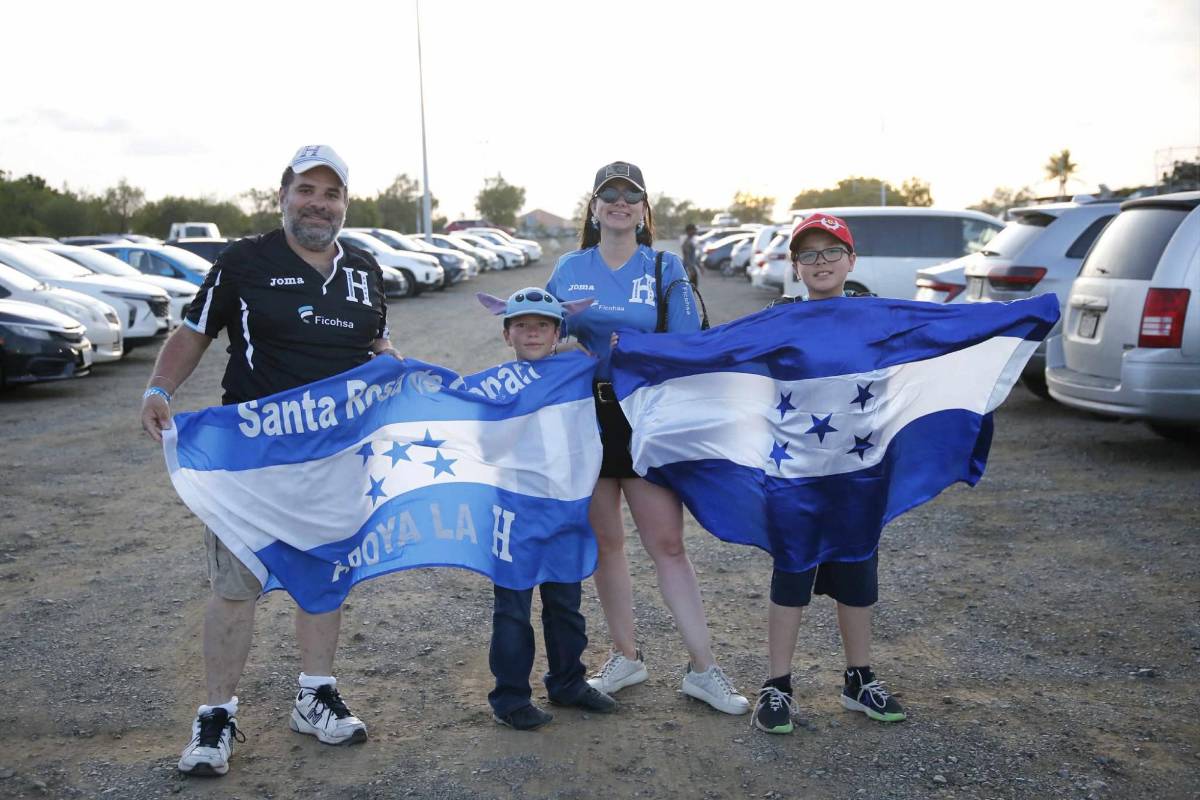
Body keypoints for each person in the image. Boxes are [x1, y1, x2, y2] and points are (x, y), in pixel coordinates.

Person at [141, 145, 400, 776]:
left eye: (331, 193)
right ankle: (216, 715)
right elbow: (195, 331)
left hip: (338, 455)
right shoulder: (245, 261)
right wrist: (158, 388)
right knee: (237, 584)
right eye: (306, 190)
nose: (319, 203)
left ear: (345, 204)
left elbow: (377, 342)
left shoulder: (365, 267)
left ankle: (314, 695)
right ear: (282, 194)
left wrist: (397, 367)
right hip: (252, 461)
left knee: (324, 578)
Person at [546, 161, 749, 715]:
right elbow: (541, 336)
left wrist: (630, 348)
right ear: (592, 208)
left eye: (630, 195)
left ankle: (704, 669)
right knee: (606, 545)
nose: (619, 202)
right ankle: (625, 654)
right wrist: (559, 346)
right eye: (607, 194)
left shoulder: (663, 266)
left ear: (643, 210)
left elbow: (689, 347)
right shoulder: (568, 267)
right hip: (584, 418)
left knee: (667, 545)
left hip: (645, 419)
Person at [752, 213, 906, 735]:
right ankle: (777, 685)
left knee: (857, 577)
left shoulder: (876, 318)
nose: (821, 263)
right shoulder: (779, 320)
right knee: (791, 576)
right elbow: (715, 352)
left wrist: (1017, 316)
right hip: (794, 476)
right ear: (795, 267)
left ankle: (859, 679)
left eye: (831, 252)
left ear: (851, 260)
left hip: (858, 474)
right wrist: (644, 353)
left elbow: (944, 332)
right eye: (809, 255)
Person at [472, 287, 618, 730]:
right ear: (506, 334)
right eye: (521, 325)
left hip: (567, 508)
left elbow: (624, 359)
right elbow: (476, 438)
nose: (532, 333)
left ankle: (567, 681)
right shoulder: (494, 384)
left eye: (542, 325)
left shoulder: (579, 366)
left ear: (558, 332)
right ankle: (511, 697)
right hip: (513, 512)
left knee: (566, 604)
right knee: (513, 609)